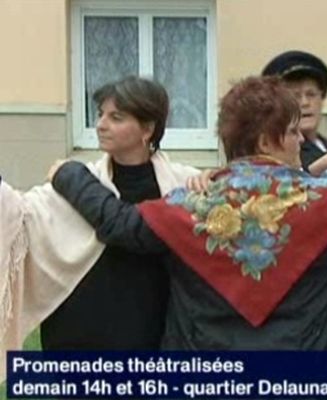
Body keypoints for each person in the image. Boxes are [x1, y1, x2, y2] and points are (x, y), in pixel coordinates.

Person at [47, 75, 327, 351]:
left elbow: (119, 223)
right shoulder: (325, 203)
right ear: (269, 139)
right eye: (292, 132)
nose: (301, 142)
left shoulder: (191, 203)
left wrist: (68, 173)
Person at [0, 76, 201, 379]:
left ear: (148, 129)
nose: (101, 124)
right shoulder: (69, 186)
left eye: (116, 117)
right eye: (101, 114)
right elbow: (19, 217)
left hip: (153, 348)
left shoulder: (182, 185)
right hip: (78, 347)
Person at [262, 50, 327, 170]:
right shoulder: (282, 154)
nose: (305, 103)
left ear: (322, 98)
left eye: (311, 94)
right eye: (295, 96)